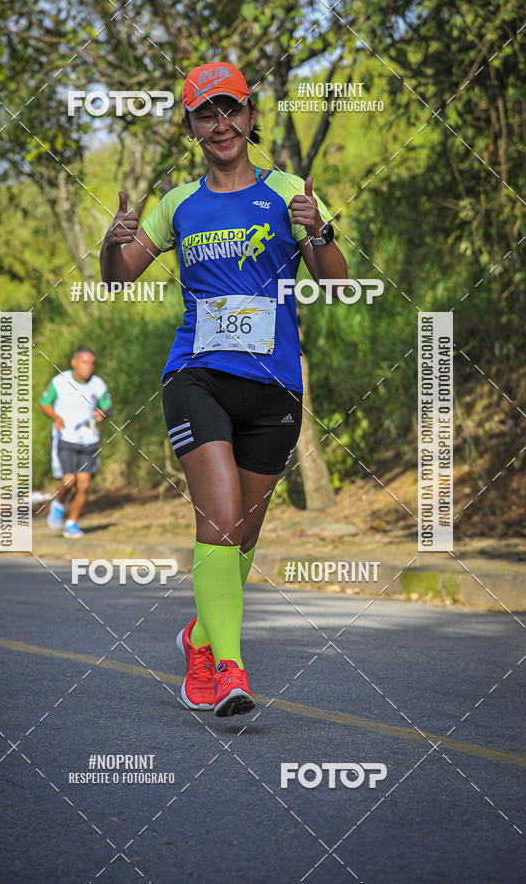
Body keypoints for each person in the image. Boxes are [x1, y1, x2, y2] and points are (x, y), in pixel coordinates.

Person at [99, 60, 347, 717]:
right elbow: (118, 277)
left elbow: (337, 282)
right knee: (217, 517)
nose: (220, 123)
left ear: (251, 115)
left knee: (242, 533)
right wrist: (110, 244)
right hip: (197, 376)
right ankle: (229, 669)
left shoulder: (287, 191)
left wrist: (317, 229)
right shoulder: (178, 203)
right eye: (205, 114)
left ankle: (200, 637)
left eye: (230, 109)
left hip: (275, 387)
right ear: (191, 127)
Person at [38, 347, 112, 538]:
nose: (88, 366)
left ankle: (72, 523)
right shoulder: (60, 381)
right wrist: (56, 417)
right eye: (84, 362)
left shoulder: (98, 384)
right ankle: (59, 503)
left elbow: (107, 407)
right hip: (66, 438)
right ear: (74, 362)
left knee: (84, 485)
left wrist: (102, 414)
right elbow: (44, 403)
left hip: (90, 440)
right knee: (69, 481)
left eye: (91, 363)